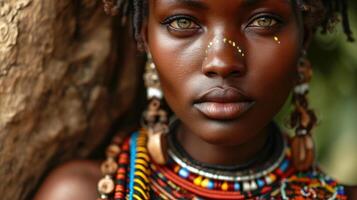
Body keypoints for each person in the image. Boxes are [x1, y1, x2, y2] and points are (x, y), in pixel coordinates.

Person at [35, 0, 357, 199]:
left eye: (263, 21)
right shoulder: (81, 194)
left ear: (305, 37)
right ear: (146, 39)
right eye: (183, 22)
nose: (222, 61)